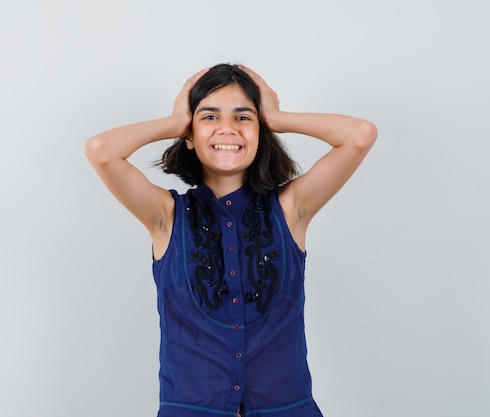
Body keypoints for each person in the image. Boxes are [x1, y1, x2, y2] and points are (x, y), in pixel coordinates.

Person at [85, 64, 377, 417]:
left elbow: (360, 134)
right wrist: (176, 121)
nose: (227, 128)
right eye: (209, 117)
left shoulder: (290, 209)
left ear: (261, 131)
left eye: (243, 118)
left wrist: (276, 117)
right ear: (189, 135)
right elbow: (101, 150)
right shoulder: (166, 215)